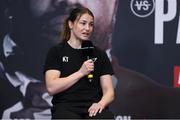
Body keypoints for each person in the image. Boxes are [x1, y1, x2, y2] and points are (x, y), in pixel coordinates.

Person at [44, 7, 115, 119]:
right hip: (66, 107)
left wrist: (100, 104)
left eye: (91, 25)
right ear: (71, 24)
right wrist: (81, 73)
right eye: (83, 23)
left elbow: (109, 92)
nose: (87, 28)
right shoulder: (57, 51)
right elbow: (52, 88)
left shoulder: (99, 54)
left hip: (93, 106)